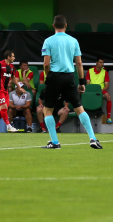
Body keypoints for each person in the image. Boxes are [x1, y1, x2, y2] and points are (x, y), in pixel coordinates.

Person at [40, 15, 102, 149]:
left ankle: (55, 142)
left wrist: (48, 77)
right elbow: (79, 63)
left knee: (47, 110)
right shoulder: (73, 41)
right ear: (66, 25)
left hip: (54, 77)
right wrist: (81, 82)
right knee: (79, 108)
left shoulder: (48, 41)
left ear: (53, 26)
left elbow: (46, 64)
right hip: (69, 77)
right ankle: (93, 138)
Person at [86, 57, 112, 123]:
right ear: (96, 63)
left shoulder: (105, 72)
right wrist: (92, 91)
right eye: (100, 62)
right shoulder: (90, 71)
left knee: (108, 97)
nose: (102, 64)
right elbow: (88, 84)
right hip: (91, 92)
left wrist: (100, 91)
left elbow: (107, 86)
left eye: (103, 62)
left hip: (101, 91)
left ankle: (108, 118)